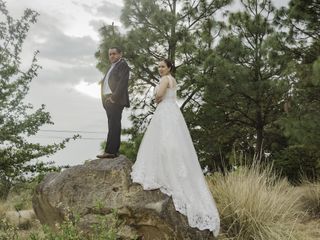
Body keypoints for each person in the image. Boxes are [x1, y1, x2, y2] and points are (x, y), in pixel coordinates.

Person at [130, 59, 220, 236]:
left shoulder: (165, 80)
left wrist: (157, 97)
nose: (160, 69)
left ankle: (165, 174)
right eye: (158, 67)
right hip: (173, 112)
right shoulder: (174, 80)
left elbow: (159, 96)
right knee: (173, 143)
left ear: (169, 68)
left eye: (163, 66)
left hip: (165, 111)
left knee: (162, 143)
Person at [97, 47, 130, 159]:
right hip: (107, 100)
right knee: (112, 125)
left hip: (115, 100)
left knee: (114, 125)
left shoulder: (123, 65)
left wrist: (114, 98)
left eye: (114, 54)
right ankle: (110, 151)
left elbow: (122, 83)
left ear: (120, 54)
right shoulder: (111, 67)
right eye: (110, 54)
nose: (112, 56)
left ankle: (111, 151)